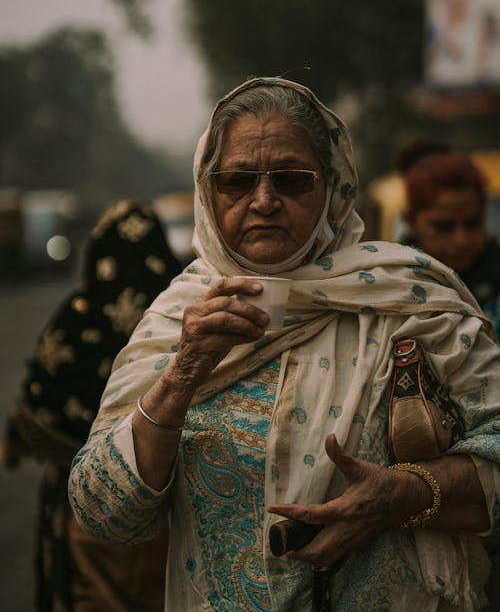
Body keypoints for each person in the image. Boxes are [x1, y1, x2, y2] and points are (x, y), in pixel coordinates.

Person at [68, 77, 500, 611]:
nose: (265, 201)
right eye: (238, 181)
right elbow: (104, 512)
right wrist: (183, 373)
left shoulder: (410, 300)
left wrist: (405, 495)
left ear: (332, 189)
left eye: (293, 181)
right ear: (209, 191)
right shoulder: (176, 319)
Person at [2, 199, 182, 611]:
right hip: (161, 499)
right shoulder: (180, 314)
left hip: (81, 505)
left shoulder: (79, 315)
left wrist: (16, 442)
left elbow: (40, 392)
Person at [400, 146, 500, 337]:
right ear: (412, 223)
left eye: (472, 224)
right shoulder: (392, 289)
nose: (461, 241)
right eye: (443, 227)